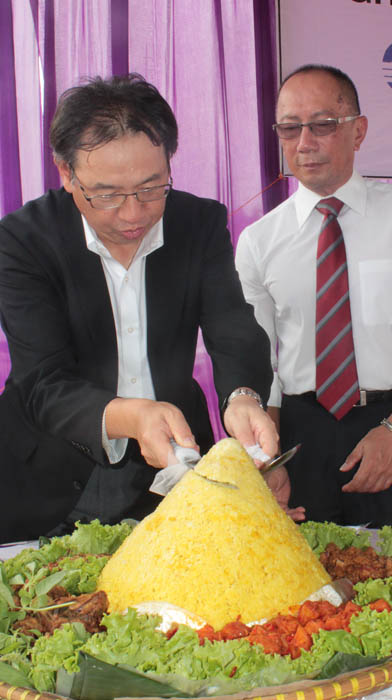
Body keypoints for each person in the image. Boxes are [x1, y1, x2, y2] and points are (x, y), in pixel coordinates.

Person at [0, 73, 283, 544]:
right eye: (107, 194)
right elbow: (42, 382)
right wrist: (133, 416)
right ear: (66, 173)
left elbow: (233, 329)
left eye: (152, 188)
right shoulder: (23, 241)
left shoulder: (199, 223)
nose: (133, 214)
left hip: (175, 463)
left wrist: (243, 398)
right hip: (47, 472)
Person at [235, 64, 392, 534]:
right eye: (289, 128)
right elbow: (255, 360)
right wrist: (268, 460)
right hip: (300, 439)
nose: (304, 142)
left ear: (358, 130)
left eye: (323, 124)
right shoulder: (258, 241)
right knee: (306, 593)